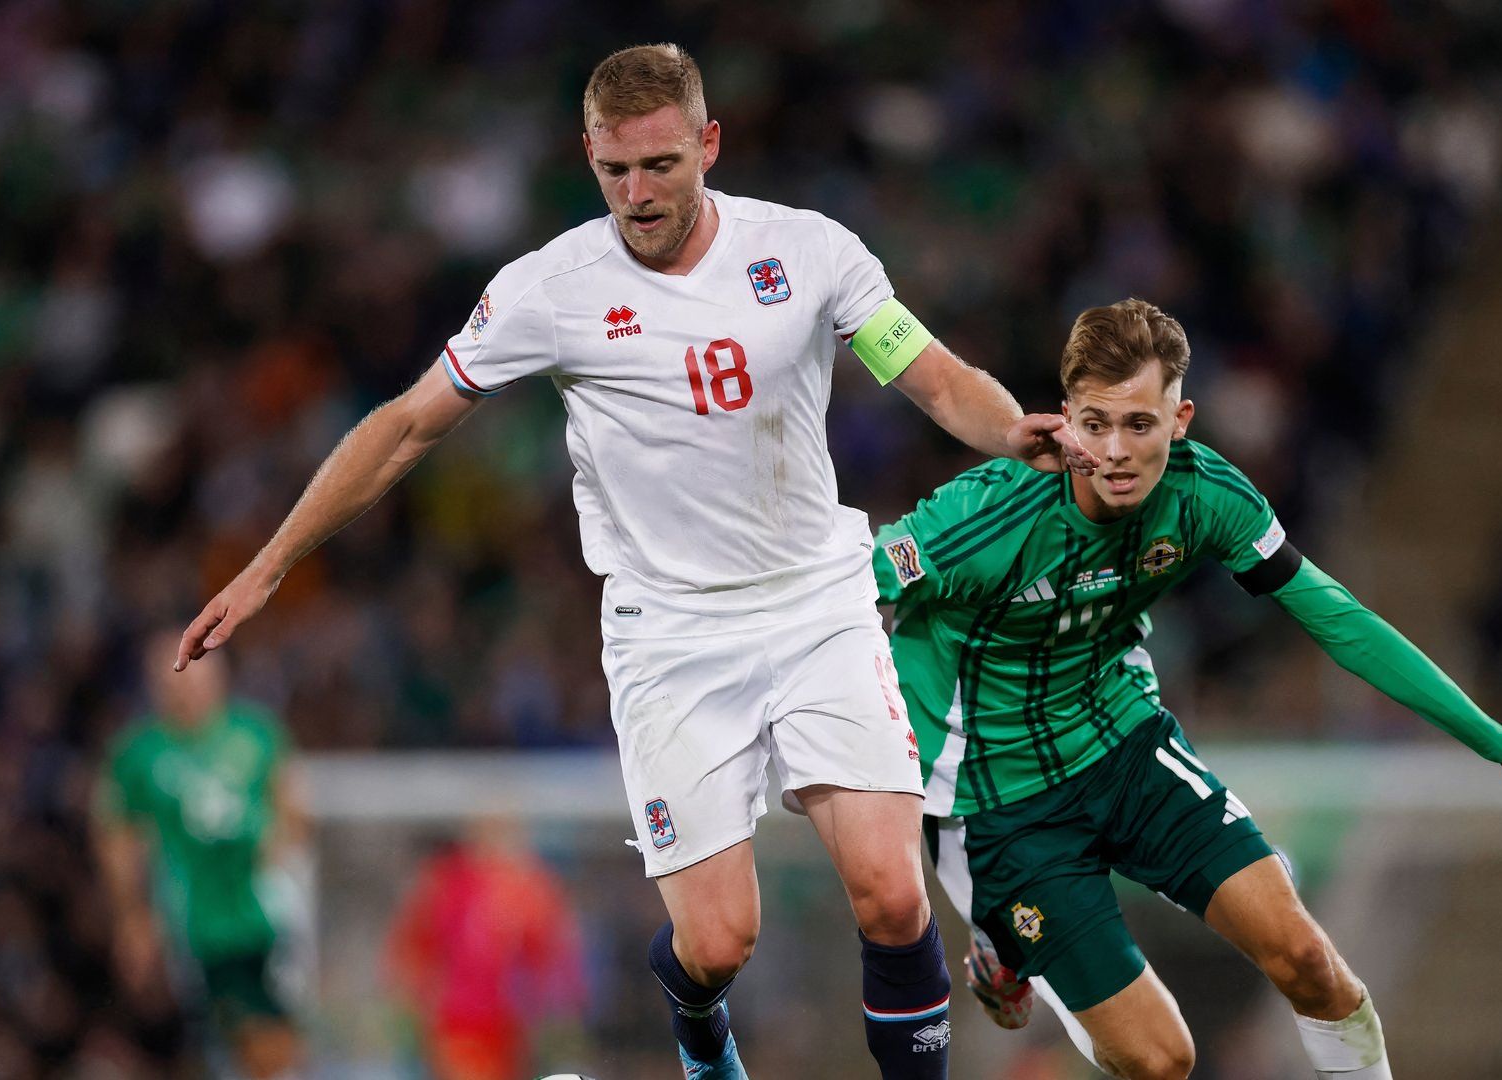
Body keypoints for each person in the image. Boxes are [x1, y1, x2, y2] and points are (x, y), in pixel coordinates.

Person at [173, 42, 1096, 1080]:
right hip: (671, 637)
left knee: (891, 892)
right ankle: (700, 1027)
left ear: (708, 142)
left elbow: (926, 375)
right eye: (616, 171)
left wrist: (1014, 426)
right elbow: (404, 427)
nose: (638, 193)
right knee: (718, 943)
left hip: (816, 606)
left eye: (660, 165)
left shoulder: (807, 252)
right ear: (589, 157)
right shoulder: (550, 289)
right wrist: (270, 566)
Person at [871, 299, 1502, 1080]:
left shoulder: (1207, 497)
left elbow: (1339, 621)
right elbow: (837, 590)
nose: (1117, 451)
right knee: (1163, 1060)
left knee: (1305, 956)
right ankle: (1004, 938)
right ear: (1064, 418)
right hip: (996, 799)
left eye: (1141, 424)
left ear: (1183, 417)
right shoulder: (985, 517)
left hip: (1122, 742)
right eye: (1095, 424)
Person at [93, 637, 308, 1079]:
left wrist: (280, 849)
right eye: (174, 674)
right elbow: (117, 837)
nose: (185, 685)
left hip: (262, 911)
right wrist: (132, 917)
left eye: (197, 671)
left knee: (270, 1035)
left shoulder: (255, 734)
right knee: (212, 1038)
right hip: (190, 920)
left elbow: (290, 806)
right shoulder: (139, 753)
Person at [385, 817, 589, 1080]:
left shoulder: (530, 886)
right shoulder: (447, 883)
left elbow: (553, 951)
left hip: (510, 1025)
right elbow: (410, 947)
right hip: (459, 1021)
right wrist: (420, 999)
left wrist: (553, 1009)